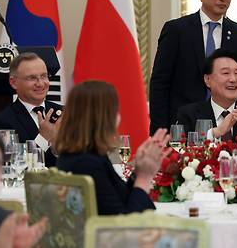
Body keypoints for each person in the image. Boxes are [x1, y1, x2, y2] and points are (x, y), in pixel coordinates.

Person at [149, 0, 237, 134]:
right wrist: (159, 131)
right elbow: (160, 83)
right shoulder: (177, 30)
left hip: (229, 127)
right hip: (182, 125)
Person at [55, 80, 170, 215]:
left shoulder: (76, 156)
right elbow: (122, 222)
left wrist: (138, 171)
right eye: (116, 111)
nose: (119, 117)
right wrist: (144, 178)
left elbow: (117, 199)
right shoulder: (89, 164)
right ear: (104, 118)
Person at [174, 49, 237, 144]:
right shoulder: (188, 114)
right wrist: (215, 133)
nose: (233, 79)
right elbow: (176, 150)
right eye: (226, 73)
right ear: (207, 80)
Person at [0, 52, 62, 167]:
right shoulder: (2, 121)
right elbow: (12, 165)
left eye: (44, 76)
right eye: (32, 78)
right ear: (13, 82)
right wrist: (43, 139)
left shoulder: (64, 113)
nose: (40, 83)